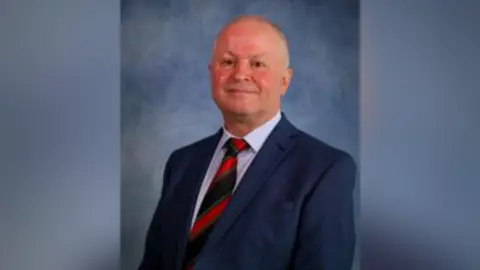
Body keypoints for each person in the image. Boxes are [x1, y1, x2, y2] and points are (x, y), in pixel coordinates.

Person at [138, 15, 357, 270]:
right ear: (212, 74)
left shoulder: (325, 169)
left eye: (258, 64)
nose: (240, 74)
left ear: (284, 81)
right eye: (228, 61)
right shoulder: (182, 163)